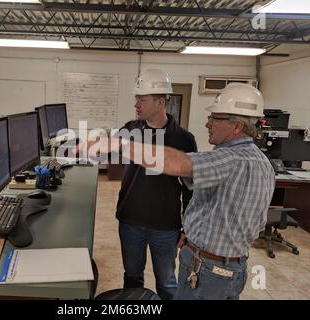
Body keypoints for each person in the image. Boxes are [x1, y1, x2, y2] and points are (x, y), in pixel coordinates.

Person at [119, 83, 275, 300]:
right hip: (233, 267)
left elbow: (177, 163)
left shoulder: (228, 159)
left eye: (215, 118)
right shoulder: (263, 163)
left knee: (167, 284)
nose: (207, 123)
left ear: (237, 126)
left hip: (207, 271)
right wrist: (194, 232)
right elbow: (258, 223)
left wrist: (116, 144)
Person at [108, 69, 197, 300]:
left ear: (160, 102)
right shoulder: (130, 129)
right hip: (130, 222)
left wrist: (187, 227)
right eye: (136, 98)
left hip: (165, 226)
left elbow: (190, 189)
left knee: (167, 284)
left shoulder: (184, 139)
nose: (136, 104)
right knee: (132, 279)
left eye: (142, 99)